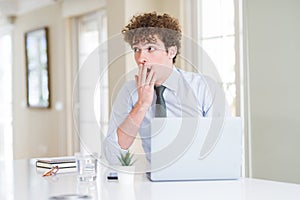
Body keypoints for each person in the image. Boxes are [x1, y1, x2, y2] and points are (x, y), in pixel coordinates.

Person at [103, 12, 229, 165]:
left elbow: (226, 146)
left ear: (171, 52)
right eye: (136, 49)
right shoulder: (129, 92)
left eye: (150, 48)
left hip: (202, 177)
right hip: (155, 180)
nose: (141, 58)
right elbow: (113, 156)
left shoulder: (204, 88)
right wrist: (142, 105)